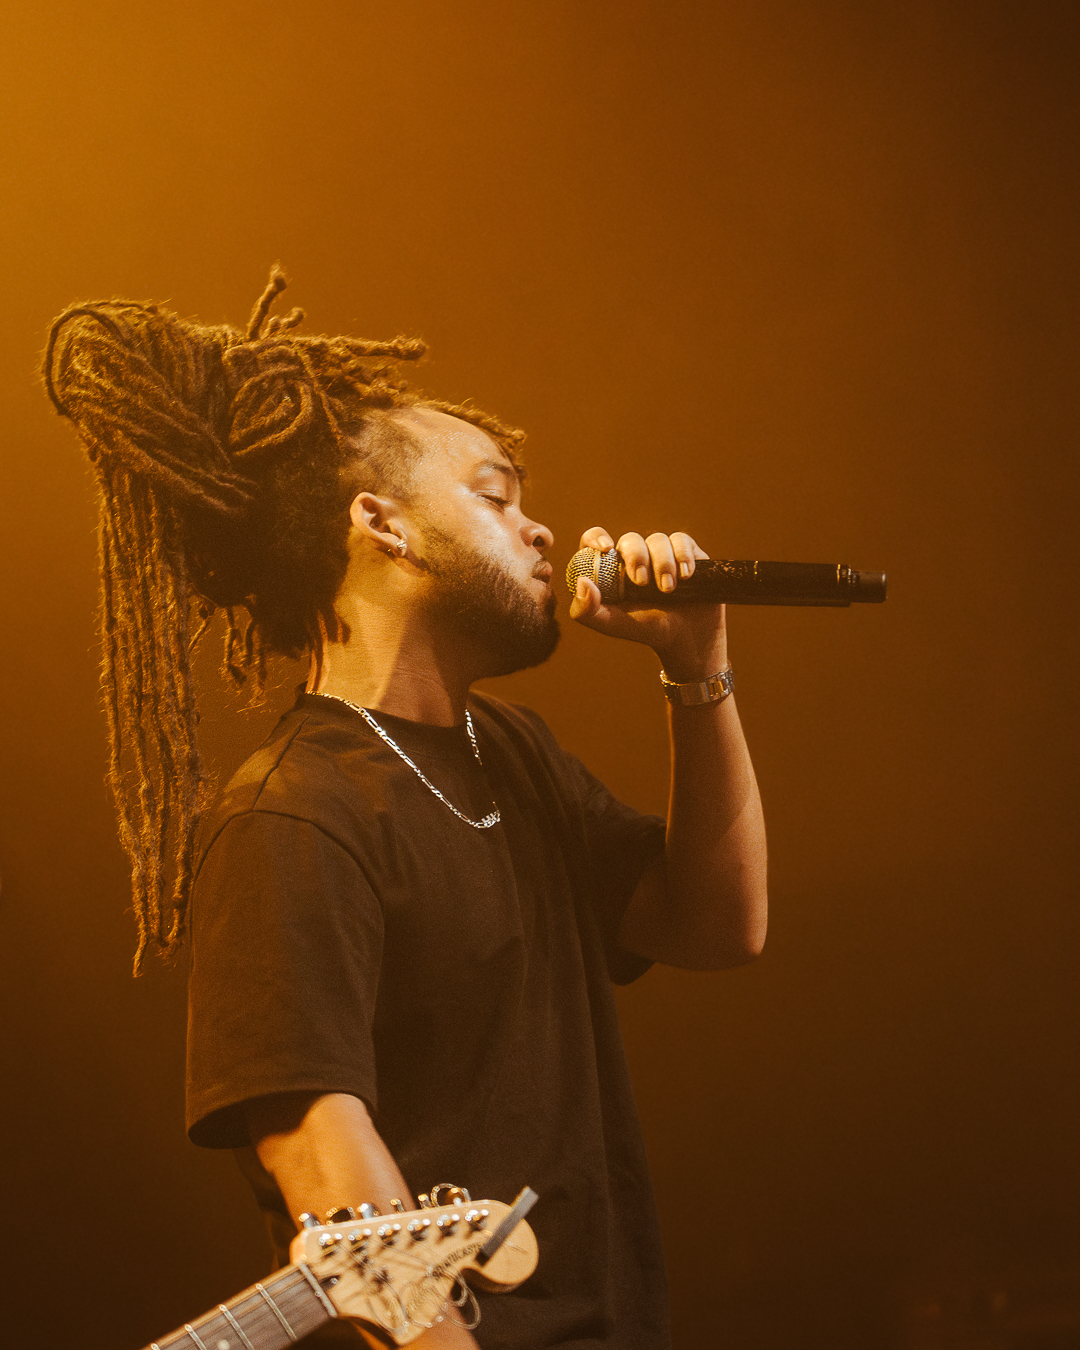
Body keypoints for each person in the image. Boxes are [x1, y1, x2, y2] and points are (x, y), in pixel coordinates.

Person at [44, 270, 767, 1350]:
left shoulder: (511, 753)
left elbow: (718, 926)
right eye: (494, 495)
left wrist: (697, 665)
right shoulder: (290, 818)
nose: (540, 530)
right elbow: (330, 1173)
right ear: (382, 524)